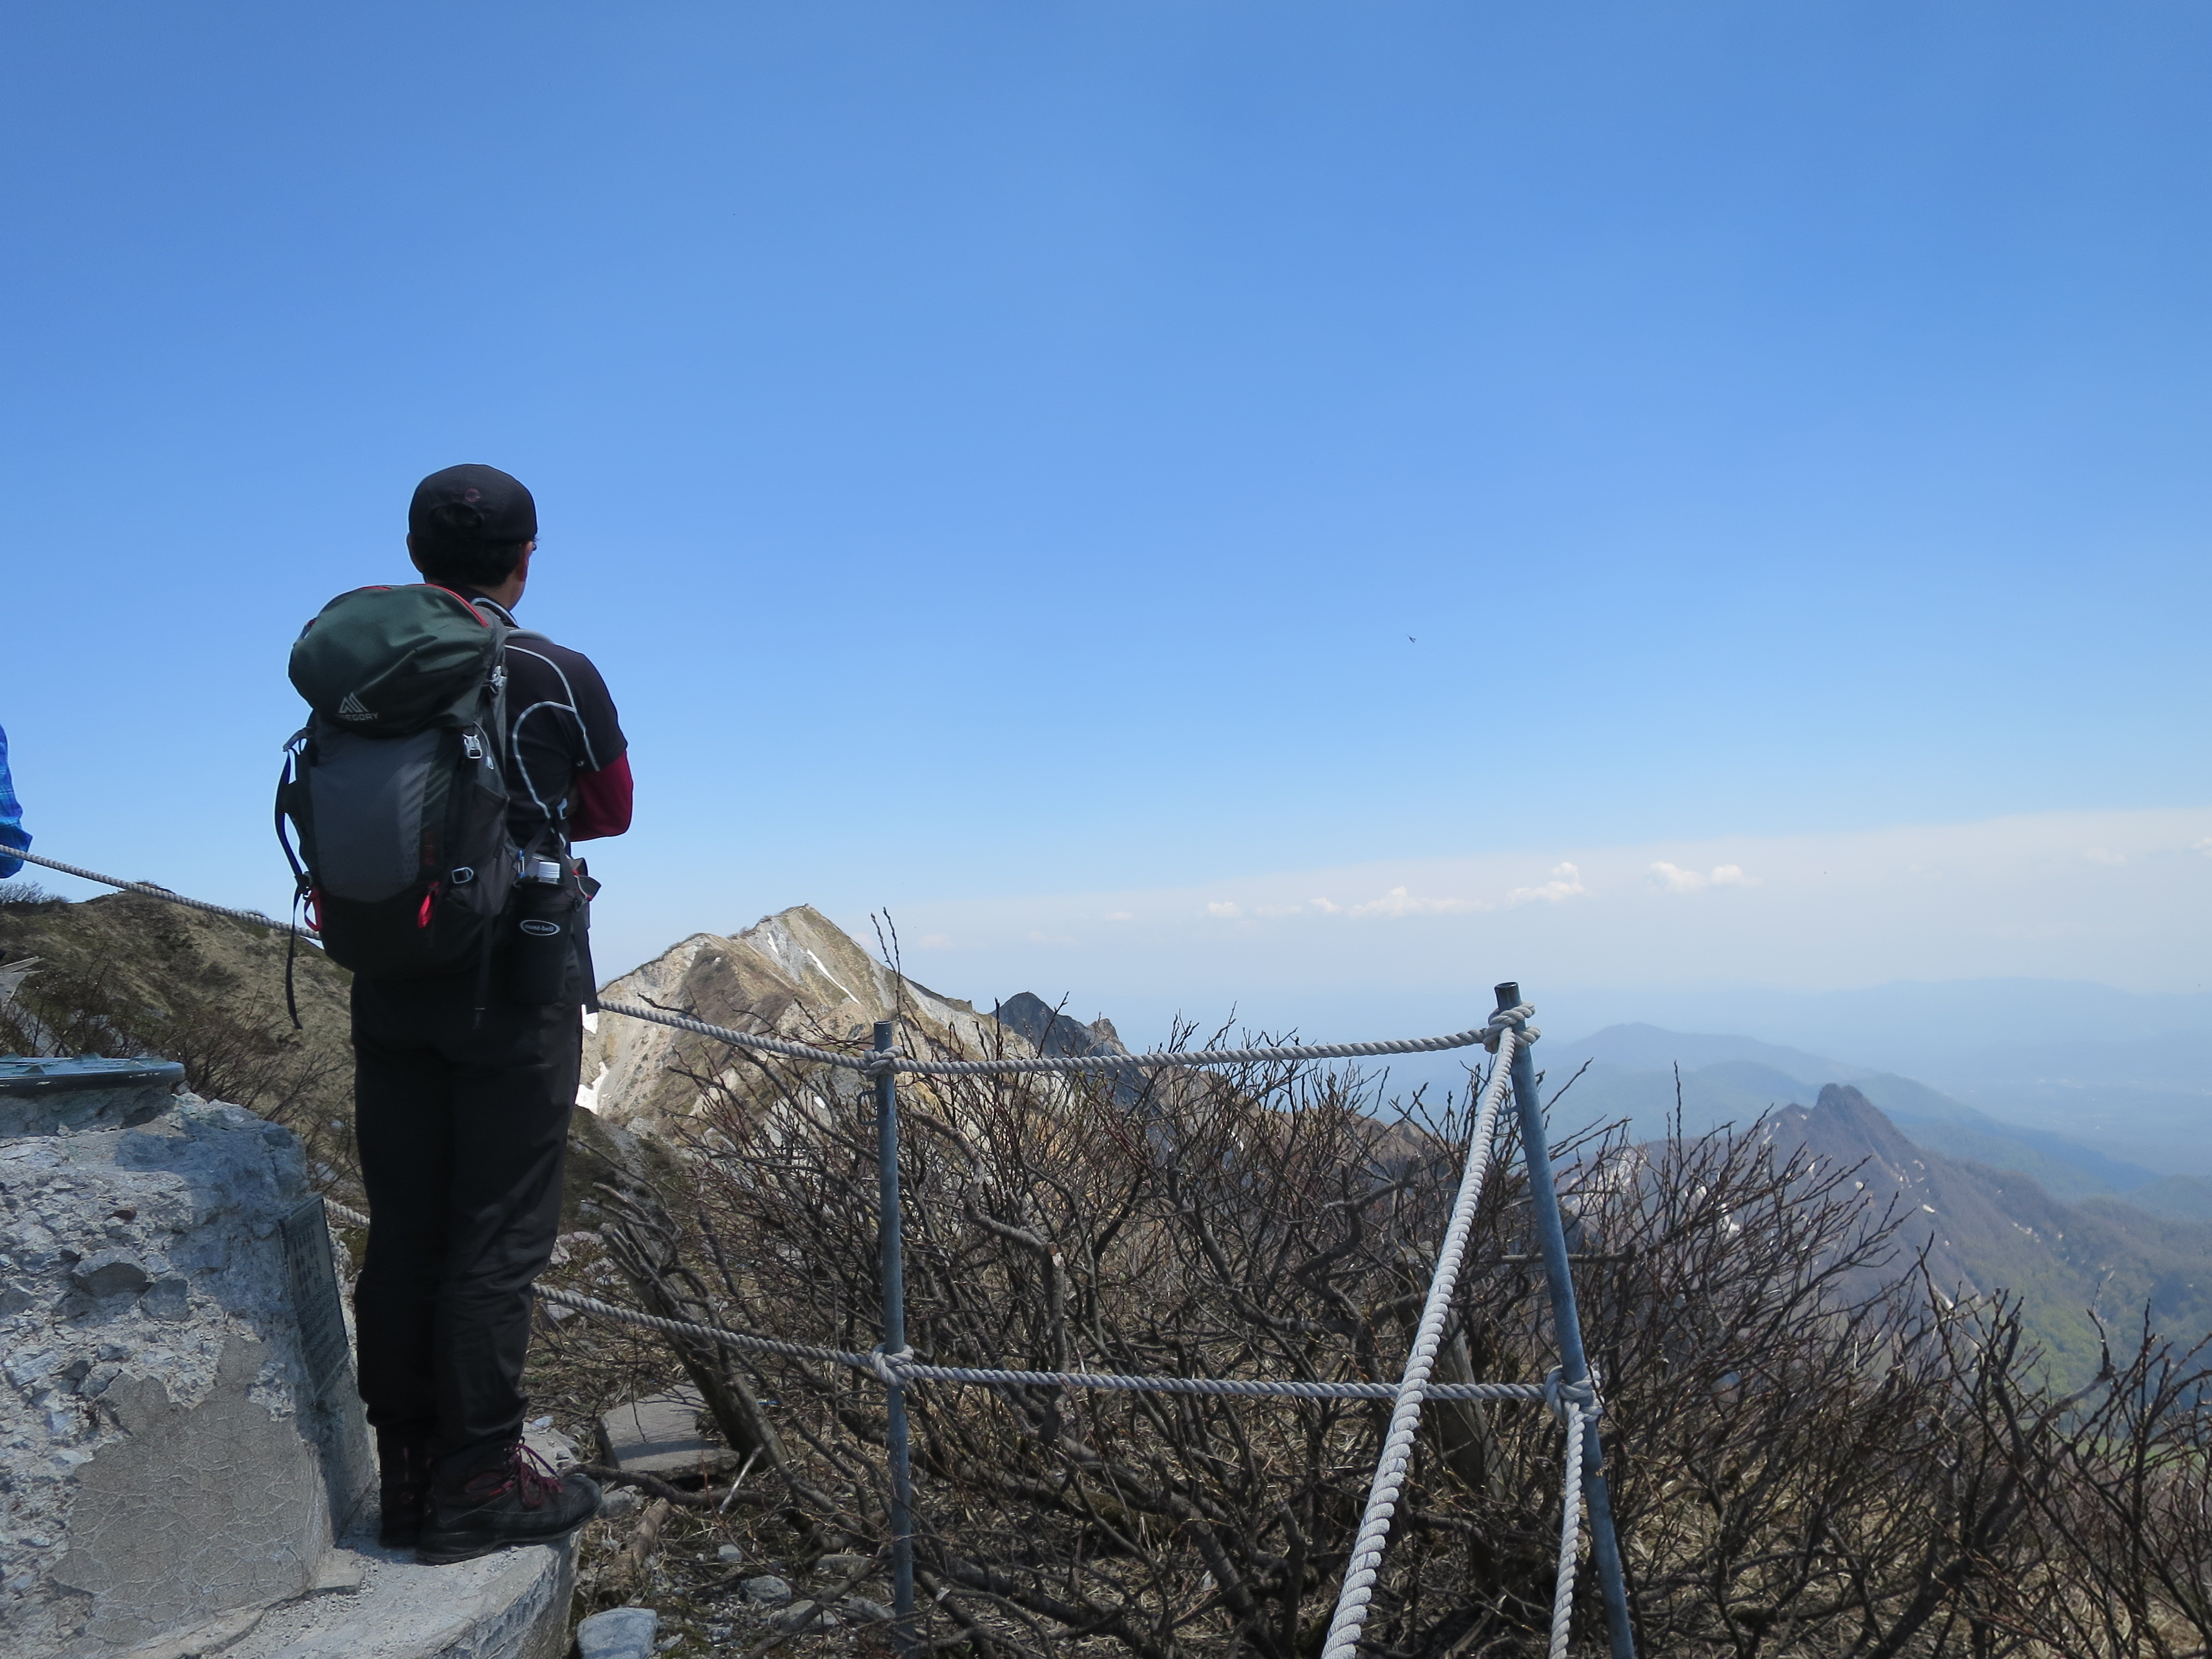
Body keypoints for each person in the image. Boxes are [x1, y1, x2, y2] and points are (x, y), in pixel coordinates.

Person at [349, 464, 633, 1564]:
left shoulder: (361, 673)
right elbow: (610, 810)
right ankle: (480, 1482)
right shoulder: (554, 670)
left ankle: (411, 1476)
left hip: (387, 976)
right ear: (525, 558)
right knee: (497, 1238)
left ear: (418, 555)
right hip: (514, 983)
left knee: (407, 1223)